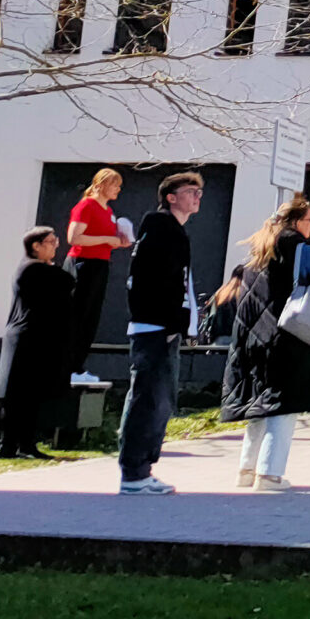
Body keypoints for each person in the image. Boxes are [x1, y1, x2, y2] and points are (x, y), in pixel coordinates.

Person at [217, 198, 310, 491]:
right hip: (286, 336)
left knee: (259, 403)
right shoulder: (302, 249)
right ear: (297, 221)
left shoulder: (259, 248)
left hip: (250, 337)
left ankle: (246, 470)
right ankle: (269, 474)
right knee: (284, 404)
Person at [116, 171, 202, 495]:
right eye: (191, 191)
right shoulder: (159, 225)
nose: (197, 196)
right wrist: (168, 323)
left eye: (199, 192)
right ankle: (134, 473)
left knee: (160, 401)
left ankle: (142, 471)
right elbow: (146, 279)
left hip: (164, 327)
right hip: (155, 328)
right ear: (171, 196)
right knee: (148, 399)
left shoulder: (174, 231)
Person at [0, 227, 75, 458]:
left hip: (29, 337)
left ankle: (19, 444)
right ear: (35, 246)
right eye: (50, 242)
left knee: (26, 395)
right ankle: (14, 445)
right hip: (28, 339)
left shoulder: (31, 269)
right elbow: (67, 281)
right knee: (22, 395)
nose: (55, 245)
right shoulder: (34, 269)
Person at [62, 168, 131, 397]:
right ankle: (66, 366)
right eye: (115, 185)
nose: (118, 189)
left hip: (100, 265)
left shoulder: (109, 211)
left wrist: (118, 241)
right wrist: (106, 239)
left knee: (91, 317)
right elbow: (74, 238)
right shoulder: (87, 205)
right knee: (77, 315)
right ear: (101, 185)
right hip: (82, 263)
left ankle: (77, 365)